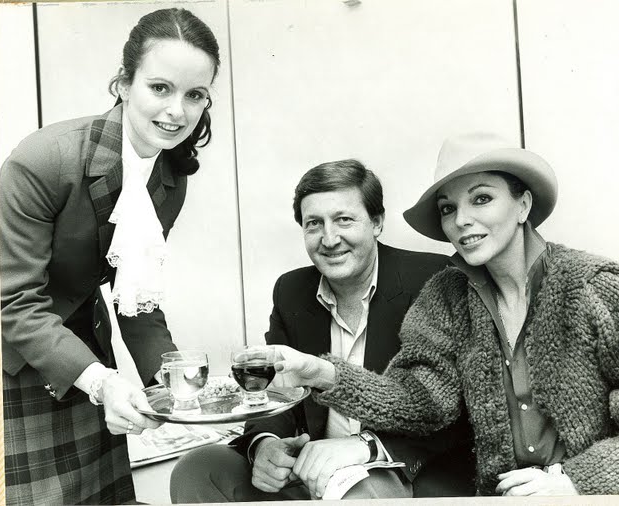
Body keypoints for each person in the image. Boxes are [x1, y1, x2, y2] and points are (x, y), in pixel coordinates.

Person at [271, 133, 619, 496]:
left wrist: (573, 483)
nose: (461, 220)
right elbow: (421, 400)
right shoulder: (447, 294)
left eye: (481, 199)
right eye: (448, 208)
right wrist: (322, 373)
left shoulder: (595, 287)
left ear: (523, 205)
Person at [0, 8, 220, 505]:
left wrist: (174, 387)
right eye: (160, 88)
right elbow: (14, 304)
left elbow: (135, 297)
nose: (177, 111)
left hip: (85, 348)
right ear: (123, 83)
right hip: (15, 358)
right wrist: (102, 382)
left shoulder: (170, 179)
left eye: (195, 95)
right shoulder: (44, 160)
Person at [170, 159, 475, 502]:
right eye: (314, 223)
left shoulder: (433, 278)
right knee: (199, 467)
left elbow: (456, 408)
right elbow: (275, 391)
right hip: (313, 465)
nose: (329, 239)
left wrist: (368, 446)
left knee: (355, 491)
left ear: (377, 222)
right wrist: (265, 445)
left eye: (344, 219)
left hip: (397, 466)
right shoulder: (291, 290)